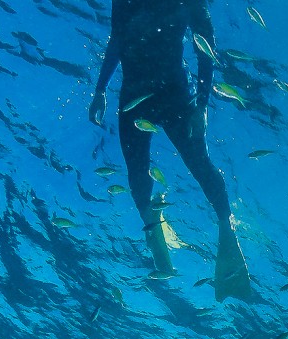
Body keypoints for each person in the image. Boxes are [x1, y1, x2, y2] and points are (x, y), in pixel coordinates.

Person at [90, 0, 252, 300]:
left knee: (200, 164)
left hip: (176, 92)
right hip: (134, 95)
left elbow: (206, 43)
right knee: (136, 175)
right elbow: (117, 38)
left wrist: (202, 104)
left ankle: (226, 228)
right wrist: (100, 89)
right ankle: (154, 227)